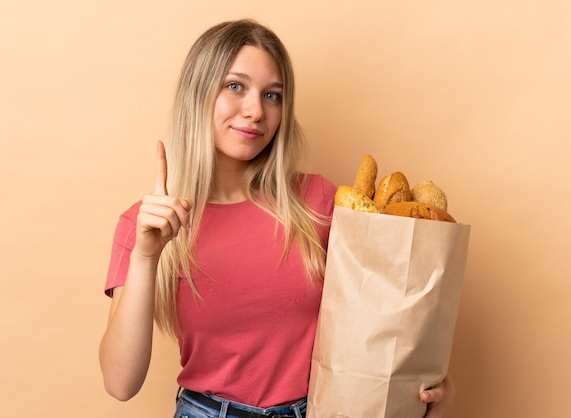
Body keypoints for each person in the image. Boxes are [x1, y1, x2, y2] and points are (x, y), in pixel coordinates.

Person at [99, 19, 455, 418]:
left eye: (272, 95)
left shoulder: (318, 201)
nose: (255, 111)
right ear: (197, 94)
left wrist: (427, 387)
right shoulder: (148, 225)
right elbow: (120, 382)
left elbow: (385, 316)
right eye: (235, 86)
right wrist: (146, 256)